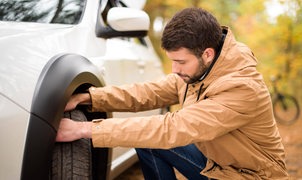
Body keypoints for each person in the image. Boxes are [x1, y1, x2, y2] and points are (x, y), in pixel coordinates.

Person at [56, 7, 288, 179]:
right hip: (219, 164)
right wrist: (90, 97)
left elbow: (173, 128)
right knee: (147, 141)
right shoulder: (199, 73)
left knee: (157, 134)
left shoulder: (242, 87)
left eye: (180, 62)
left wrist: (83, 129)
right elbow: (147, 93)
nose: (175, 70)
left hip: (248, 175)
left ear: (207, 54)